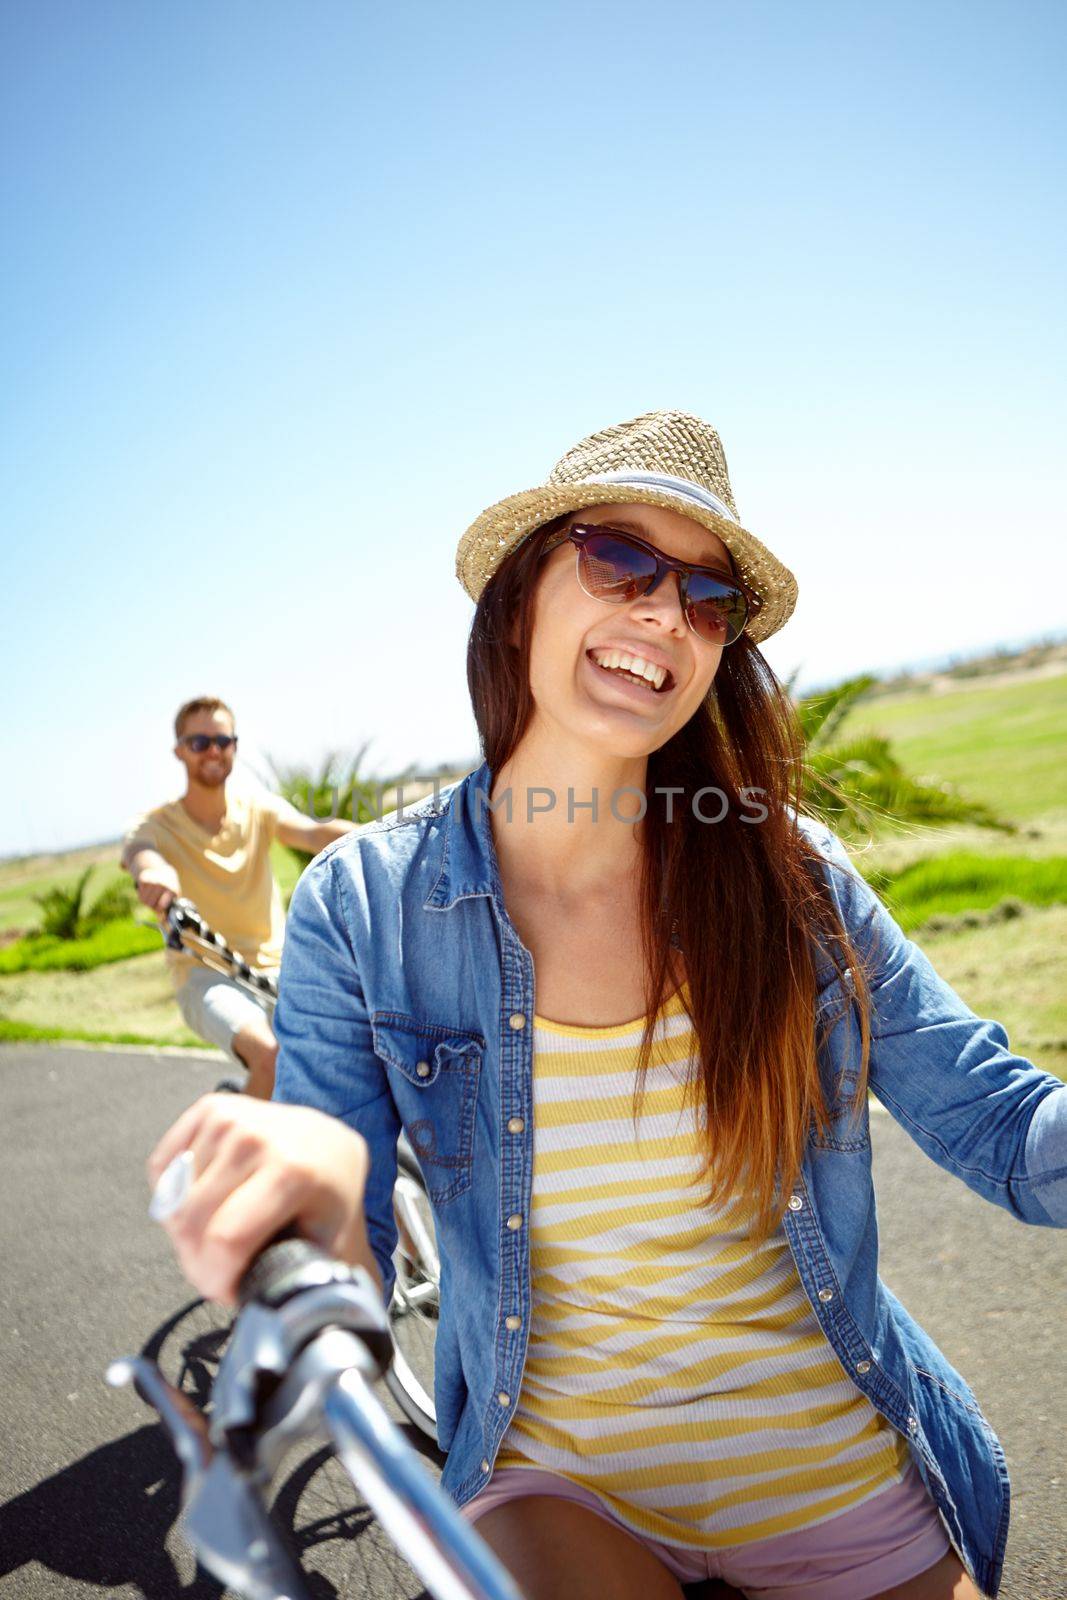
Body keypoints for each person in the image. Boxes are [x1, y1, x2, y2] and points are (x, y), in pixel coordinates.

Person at [147, 412, 1065, 1600]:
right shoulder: (362, 906)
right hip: (557, 1484)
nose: (658, 612)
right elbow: (351, 1253)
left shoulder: (790, 881)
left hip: (831, 1471)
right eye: (618, 558)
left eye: (704, 598)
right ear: (523, 591)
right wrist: (302, 1224)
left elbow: (999, 1127)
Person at [121, 695, 357, 1097]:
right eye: (199, 742)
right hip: (208, 975)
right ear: (180, 750)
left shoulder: (257, 809)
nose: (213, 750)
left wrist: (383, 837)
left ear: (234, 747)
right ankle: (242, 1157)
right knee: (270, 1056)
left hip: (283, 969)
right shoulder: (157, 825)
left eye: (223, 740)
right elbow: (141, 855)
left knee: (358, 1048)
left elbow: (313, 832)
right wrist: (155, 873)